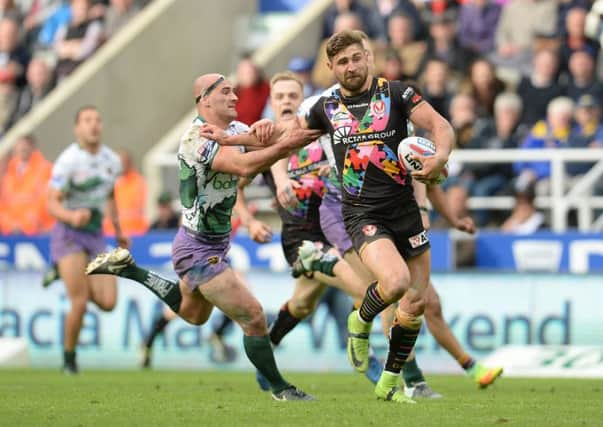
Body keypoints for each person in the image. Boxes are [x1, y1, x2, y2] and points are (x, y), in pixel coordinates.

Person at [86, 73, 321, 401]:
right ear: (204, 99)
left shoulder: (235, 131)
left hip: (213, 243)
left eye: (235, 91)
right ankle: (281, 389)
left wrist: (276, 127)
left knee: (194, 315)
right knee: (253, 316)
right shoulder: (196, 138)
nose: (235, 97)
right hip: (196, 247)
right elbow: (243, 166)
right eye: (225, 91)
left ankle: (130, 270)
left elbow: (262, 140)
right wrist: (287, 142)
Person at [301, 29, 453, 404]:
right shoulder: (326, 107)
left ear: (368, 56)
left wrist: (440, 157)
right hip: (362, 213)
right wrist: (256, 139)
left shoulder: (397, 93)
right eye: (342, 62)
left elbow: (441, 126)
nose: (350, 66)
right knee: (396, 282)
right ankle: (361, 320)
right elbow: (289, 138)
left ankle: (389, 381)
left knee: (415, 304)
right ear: (330, 67)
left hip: (405, 212)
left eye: (356, 58)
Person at [251, 71, 380, 390]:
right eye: (279, 96)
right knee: (367, 289)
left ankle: (266, 353)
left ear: (303, 98)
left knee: (301, 306)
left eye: (292, 96)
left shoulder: (319, 135)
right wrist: (251, 220)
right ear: (271, 101)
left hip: (332, 233)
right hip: (300, 241)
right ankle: (364, 353)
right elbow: (236, 184)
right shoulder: (265, 142)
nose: (286, 102)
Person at [47, 105, 128, 374]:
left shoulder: (111, 161)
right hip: (68, 234)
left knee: (109, 303)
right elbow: (51, 203)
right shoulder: (68, 160)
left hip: (95, 234)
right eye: (87, 120)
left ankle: (66, 274)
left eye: (97, 120)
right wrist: (70, 216)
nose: (93, 125)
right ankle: (69, 360)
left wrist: (118, 229)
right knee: (79, 302)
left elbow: (109, 195)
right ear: (77, 128)